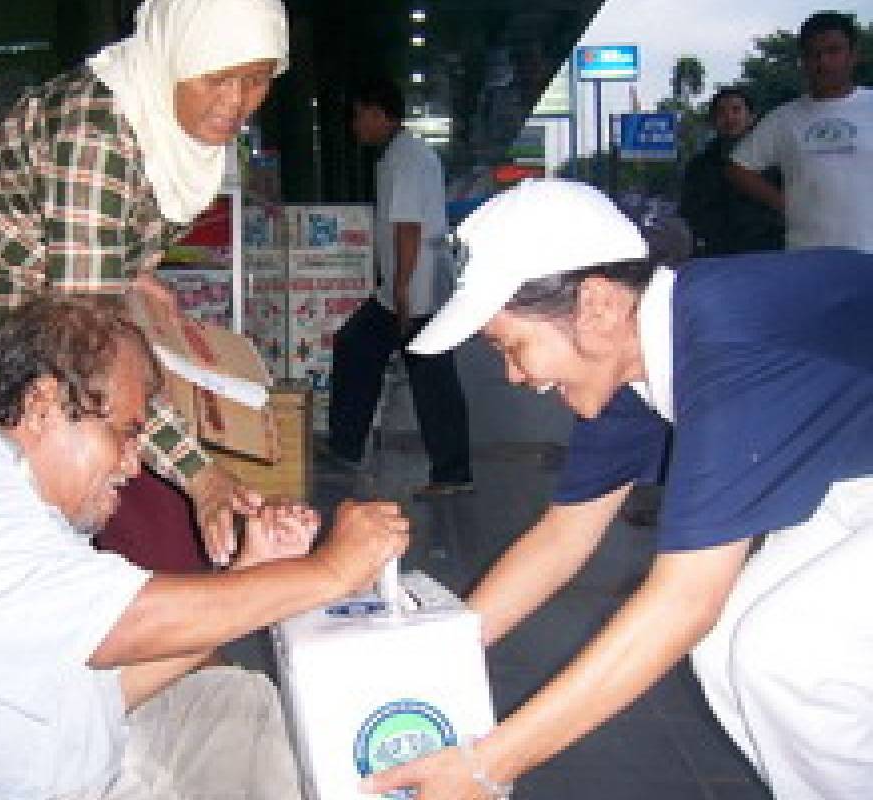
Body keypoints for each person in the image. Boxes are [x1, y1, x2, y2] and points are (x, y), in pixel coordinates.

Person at [0, 296, 410, 800]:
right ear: (43, 403)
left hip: (65, 769)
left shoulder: (0, 492)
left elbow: (101, 686)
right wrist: (328, 570)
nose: (134, 466)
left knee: (230, 703)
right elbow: (126, 626)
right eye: (127, 434)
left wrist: (254, 573)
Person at [359, 179, 873, 800]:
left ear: (596, 306)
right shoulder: (633, 364)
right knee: (727, 655)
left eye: (511, 345)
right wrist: (426, 660)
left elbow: (683, 602)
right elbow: (561, 540)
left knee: (788, 661)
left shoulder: (724, 345)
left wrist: (486, 765)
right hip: (850, 476)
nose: (513, 375)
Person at [0, 0, 290, 570]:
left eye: (255, 81)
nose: (234, 103)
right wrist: (200, 474)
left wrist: (130, 270)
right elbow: (86, 351)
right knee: (49, 457)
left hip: (43, 279)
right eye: (215, 79)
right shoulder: (97, 136)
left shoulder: (171, 123)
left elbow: (102, 222)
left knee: (106, 471)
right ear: (172, 58)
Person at [325, 74, 473, 497]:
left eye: (358, 117)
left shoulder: (409, 158)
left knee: (429, 375)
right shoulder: (396, 156)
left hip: (414, 287)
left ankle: (450, 471)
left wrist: (404, 291)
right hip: (401, 287)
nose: (356, 126)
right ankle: (347, 445)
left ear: (377, 113)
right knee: (359, 349)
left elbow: (408, 228)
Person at [728, 10, 873, 253]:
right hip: (806, 256)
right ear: (803, 61)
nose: (823, 62)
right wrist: (786, 203)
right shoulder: (783, 118)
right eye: (813, 54)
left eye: (833, 51)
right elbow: (737, 169)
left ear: (853, 56)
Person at [679, 86, 784, 255]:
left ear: (751, 117)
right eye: (721, 112)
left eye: (736, 110)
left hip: (769, 253)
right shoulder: (700, 166)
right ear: (712, 121)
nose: (729, 118)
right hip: (718, 255)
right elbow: (690, 214)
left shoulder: (775, 162)